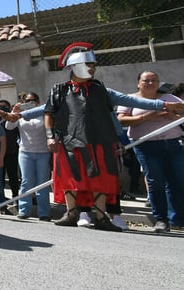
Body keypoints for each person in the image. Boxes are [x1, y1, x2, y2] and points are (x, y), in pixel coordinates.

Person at [45, 43, 125, 231]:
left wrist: (117, 139)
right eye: (88, 65)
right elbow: (47, 113)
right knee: (69, 178)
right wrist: (50, 136)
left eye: (93, 66)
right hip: (68, 142)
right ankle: (71, 213)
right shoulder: (59, 89)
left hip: (100, 142)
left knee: (101, 179)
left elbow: (111, 113)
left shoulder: (99, 89)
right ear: (75, 67)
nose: (92, 69)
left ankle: (100, 216)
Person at [116, 71, 184, 232]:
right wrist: (148, 117)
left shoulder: (170, 99)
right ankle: (161, 220)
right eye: (146, 81)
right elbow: (121, 120)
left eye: (154, 80)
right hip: (147, 145)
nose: (151, 83)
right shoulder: (131, 99)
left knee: (177, 181)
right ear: (138, 83)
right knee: (156, 181)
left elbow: (182, 112)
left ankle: (178, 219)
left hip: (174, 143)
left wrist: (173, 116)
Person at [6, 92, 51, 221]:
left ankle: (44, 213)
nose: (30, 103)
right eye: (27, 101)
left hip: (43, 152)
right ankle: (24, 210)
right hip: (26, 152)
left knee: (42, 182)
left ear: (38, 102)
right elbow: (9, 127)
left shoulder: (44, 112)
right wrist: (14, 112)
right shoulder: (20, 115)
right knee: (26, 181)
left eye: (33, 100)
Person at [0, 99, 21, 197]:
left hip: (12, 152)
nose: (2, 108)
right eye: (0, 106)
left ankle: (15, 195)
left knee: (13, 176)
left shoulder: (14, 120)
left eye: (5, 106)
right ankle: (0, 197)